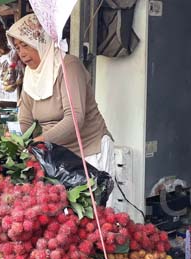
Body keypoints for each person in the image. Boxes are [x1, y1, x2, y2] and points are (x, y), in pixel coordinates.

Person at [7, 14, 113, 173]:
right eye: (17, 47)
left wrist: (40, 141)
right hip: (56, 156)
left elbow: (75, 119)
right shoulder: (31, 75)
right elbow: (26, 120)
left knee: (92, 197)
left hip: (89, 153)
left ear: (41, 41)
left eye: (25, 45)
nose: (21, 53)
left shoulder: (68, 66)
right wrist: (13, 138)